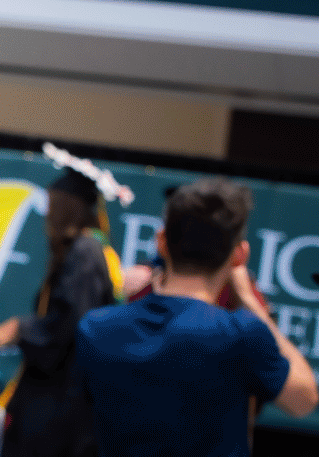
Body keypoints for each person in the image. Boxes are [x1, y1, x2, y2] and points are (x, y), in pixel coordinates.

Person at [75, 178, 317, 456]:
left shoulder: (96, 329)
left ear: (161, 241)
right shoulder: (241, 334)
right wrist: (251, 302)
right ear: (239, 256)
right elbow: (304, 400)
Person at [0, 167, 122, 457]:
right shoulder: (88, 250)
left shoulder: (85, 251)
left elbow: (71, 324)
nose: (47, 213)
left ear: (69, 208)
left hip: (62, 402)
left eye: (54, 204)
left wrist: (22, 328)